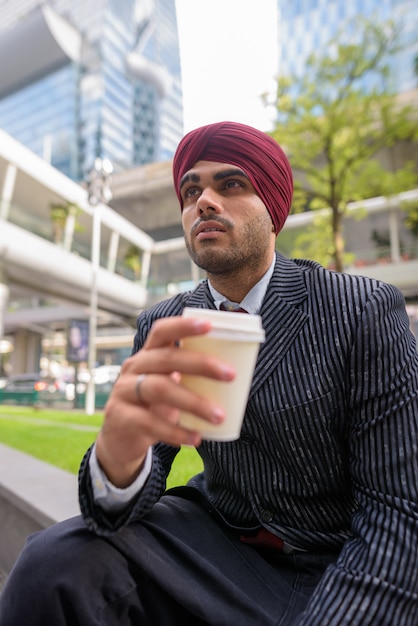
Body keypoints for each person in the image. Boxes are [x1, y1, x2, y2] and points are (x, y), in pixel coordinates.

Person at [1, 121, 417, 625]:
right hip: (217, 538)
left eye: (231, 184)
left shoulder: (361, 309)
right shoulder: (165, 323)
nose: (204, 201)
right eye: (191, 189)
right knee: (51, 565)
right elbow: (120, 498)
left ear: (273, 209)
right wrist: (118, 459)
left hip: (334, 556)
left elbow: (398, 513)